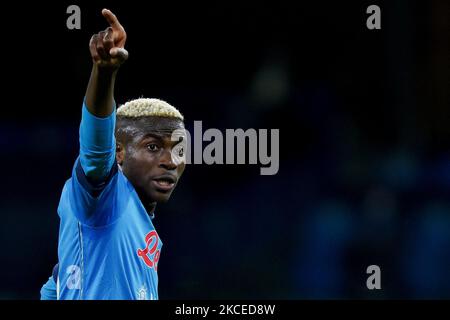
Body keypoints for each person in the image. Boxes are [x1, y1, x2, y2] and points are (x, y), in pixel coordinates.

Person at [54, 8, 186, 300]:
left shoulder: (134, 217)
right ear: (119, 152)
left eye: (179, 150)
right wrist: (103, 72)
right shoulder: (105, 197)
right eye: (153, 147)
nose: (171, 161)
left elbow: (56, 285)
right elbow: (95, 147)